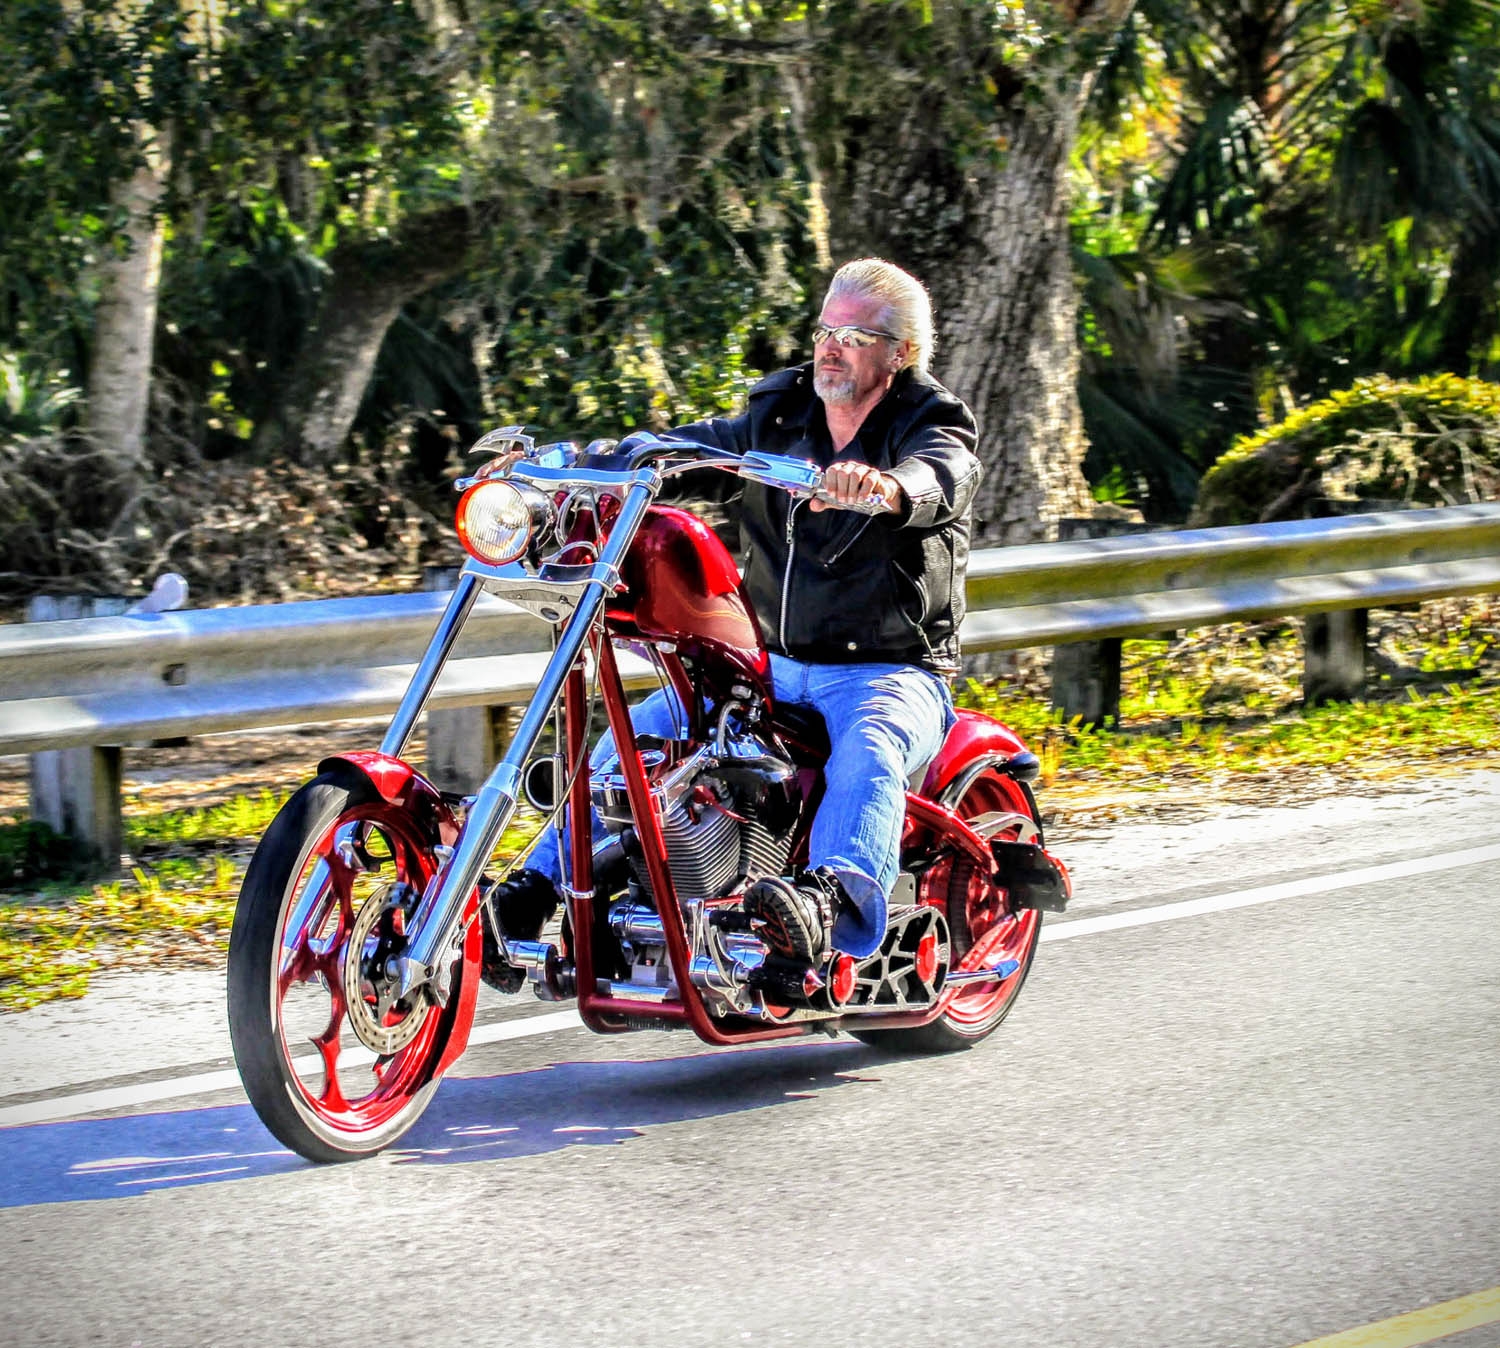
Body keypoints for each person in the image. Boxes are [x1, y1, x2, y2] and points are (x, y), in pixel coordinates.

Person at [483, 257, 980, 985]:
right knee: (641, 739)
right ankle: (533, 889)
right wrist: (600, 460)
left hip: (887, 668)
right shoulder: (780, 414)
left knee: (868, 752)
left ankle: (824, 904)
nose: (830, 347)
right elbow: (691, 449)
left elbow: (944, 475)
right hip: (770, 663)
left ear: (899, 354)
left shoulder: (931, 419)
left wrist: (888, 488)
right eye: (825, 329)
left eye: (855, 334)